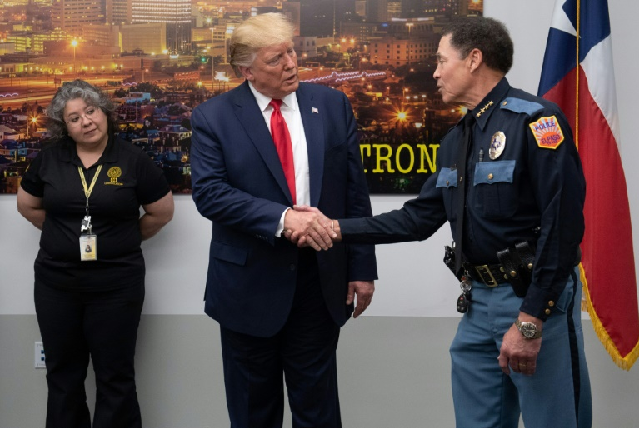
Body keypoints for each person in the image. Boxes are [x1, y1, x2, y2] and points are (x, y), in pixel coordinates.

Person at [294, 17, 592, 428]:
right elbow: (418, 218)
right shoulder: (456, 140)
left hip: (532, 300)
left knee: (554, 421)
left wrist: (530, 321)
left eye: (440, 60)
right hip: (478, 305)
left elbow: (562, 228)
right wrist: (336, 228)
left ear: (473, 59)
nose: (433, 72)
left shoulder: (536, 122)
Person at [190, 12, 377, 428]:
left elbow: (353, 194)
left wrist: (362, 268)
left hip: (319, 282)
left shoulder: (330, 104)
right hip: (247, 285)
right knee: (254, 412)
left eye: (291, 51)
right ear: (247, 70)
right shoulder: (213, 117)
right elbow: (209, 194)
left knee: (318, 410)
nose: (292, 64)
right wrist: (282, 218)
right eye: (276, 59)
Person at [17, 79, 174, 428]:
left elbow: (161, 213)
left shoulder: (133, 159)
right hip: (57, 285)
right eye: (74, 118)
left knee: (115, 377)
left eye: (91, 111)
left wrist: (123, 239)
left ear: (104, 112)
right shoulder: (49, 159)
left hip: (117, 286)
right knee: (62, 377)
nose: (86, 121)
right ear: (65, 127)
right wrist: (61, 234)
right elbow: (27, 206)